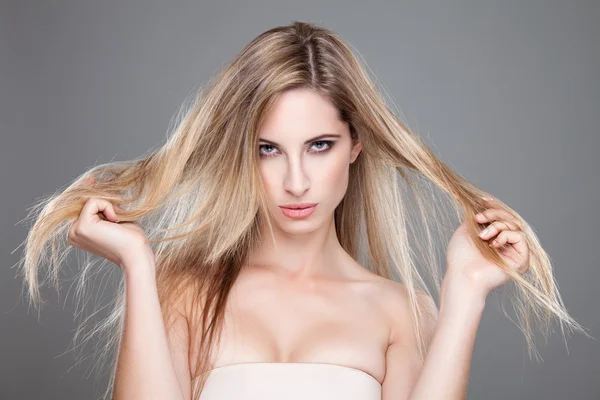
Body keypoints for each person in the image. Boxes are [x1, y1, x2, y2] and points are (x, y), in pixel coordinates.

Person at [17, 21, 587, 400]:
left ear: (355, 145)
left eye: (319, 145)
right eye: (268, 149)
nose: (295, 181)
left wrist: (465, 294)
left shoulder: (400, 311)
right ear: (241, 154)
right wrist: (138, 265)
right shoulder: (183, 291)